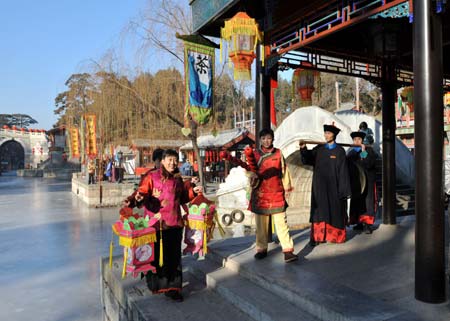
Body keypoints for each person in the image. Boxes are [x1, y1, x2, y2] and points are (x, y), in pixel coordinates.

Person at [126, 149, 201, 302]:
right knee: (157, 256)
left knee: (174, 258)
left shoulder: (177, 180)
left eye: (175, 160)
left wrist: (193, 191)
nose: (173, 163)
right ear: (163, 160)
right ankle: (156, 284)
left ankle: (173, 288)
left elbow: (182, 198)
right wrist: (135, 199)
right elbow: (142, 193)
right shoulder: (151, 176)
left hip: (174, 223)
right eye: (170, 160)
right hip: (156, 223)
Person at [249, 128, 298, 263]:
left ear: (273, 139)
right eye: (263, 138)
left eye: (269, 138)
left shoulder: (278, 153)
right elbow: (249, 171)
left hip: (276, 192)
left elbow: (284, 170)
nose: (266, 141)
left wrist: (287, 187)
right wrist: (252, 178)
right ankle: (261, 248)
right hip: (261, 193)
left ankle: (288, 251)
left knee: (282, 224)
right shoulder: (255, 154)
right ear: (260, 140)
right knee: (261, 226)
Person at [300, 124, 351, 246]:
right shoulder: (319, 149)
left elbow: (343, 172)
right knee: (319, 212)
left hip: (334, 187)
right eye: (325, 133)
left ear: (334, 135)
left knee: (335, 211)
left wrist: (343, 190)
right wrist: (303, 149)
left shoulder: (339, 151)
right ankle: (317, 237)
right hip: (320, 187)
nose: (326, 135)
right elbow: (307, 159)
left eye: (329, 133)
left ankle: (335, 237)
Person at [347, 131, 377, 234]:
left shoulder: (369, 150)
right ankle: (358, 222)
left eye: (359, 139)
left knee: (367, 203)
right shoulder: (351, 153)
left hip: (367, 181)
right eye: (355, 140)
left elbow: (369, 164)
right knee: (357, 203)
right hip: (356, 183)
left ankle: (368, 224)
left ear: (362, 140)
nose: (357, 141)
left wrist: (363, 152)